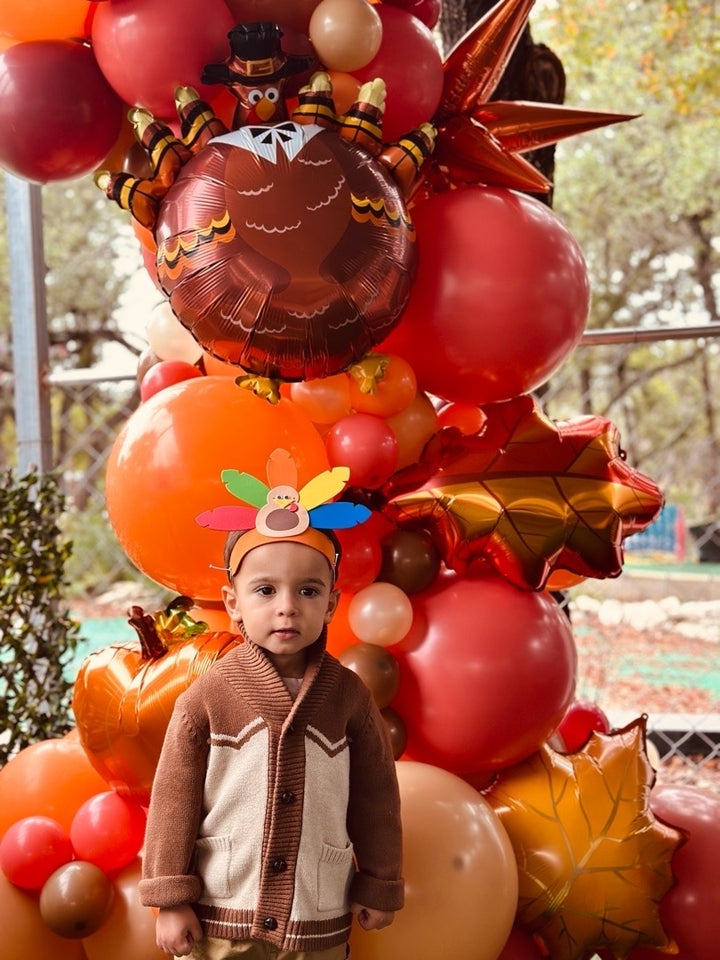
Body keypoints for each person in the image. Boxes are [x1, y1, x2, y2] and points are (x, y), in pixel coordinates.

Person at [139, 506, 404, 960]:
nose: (287, 606)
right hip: (221, 915)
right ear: (233, 603)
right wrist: (170, 898)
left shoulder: (349, 697)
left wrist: (379, 881)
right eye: (265, 590)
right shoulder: (208, 696)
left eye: (308, 591)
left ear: (331, 605)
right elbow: (173, 799)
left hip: (314, 915)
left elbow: (376, 797)